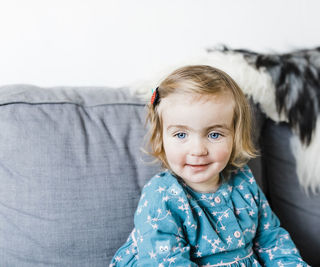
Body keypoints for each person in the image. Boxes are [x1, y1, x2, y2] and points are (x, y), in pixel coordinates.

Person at [110, 65, 308, 266]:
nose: (198, 150)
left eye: (214, 134)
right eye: (181, 134)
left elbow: (272, 240)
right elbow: (167, 261)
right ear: (161, 139)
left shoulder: (243, 182)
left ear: (235, 137)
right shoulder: (161, 196)